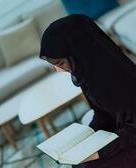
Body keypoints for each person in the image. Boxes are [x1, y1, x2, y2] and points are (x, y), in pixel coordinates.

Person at [39, 14, 136, 168]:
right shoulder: (88, 74)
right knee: (79, 163)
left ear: (80, 52)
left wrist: (100, 152)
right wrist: (87, 136)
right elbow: (102, 114)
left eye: (61, 62)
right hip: (125, 134)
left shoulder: (120, 78)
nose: (58, 70)